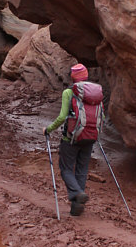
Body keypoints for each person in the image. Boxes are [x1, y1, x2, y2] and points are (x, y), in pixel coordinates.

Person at [44, 63, 103, 217]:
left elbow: (62, 117)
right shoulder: (96, 92)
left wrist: (48, 129)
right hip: (90, 137)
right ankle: (77, 206)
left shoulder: (69, 92)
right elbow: (101, 115)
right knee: (82, 170)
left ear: (73, 77)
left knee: (66, 169)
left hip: (70, 138)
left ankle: (77, 193)